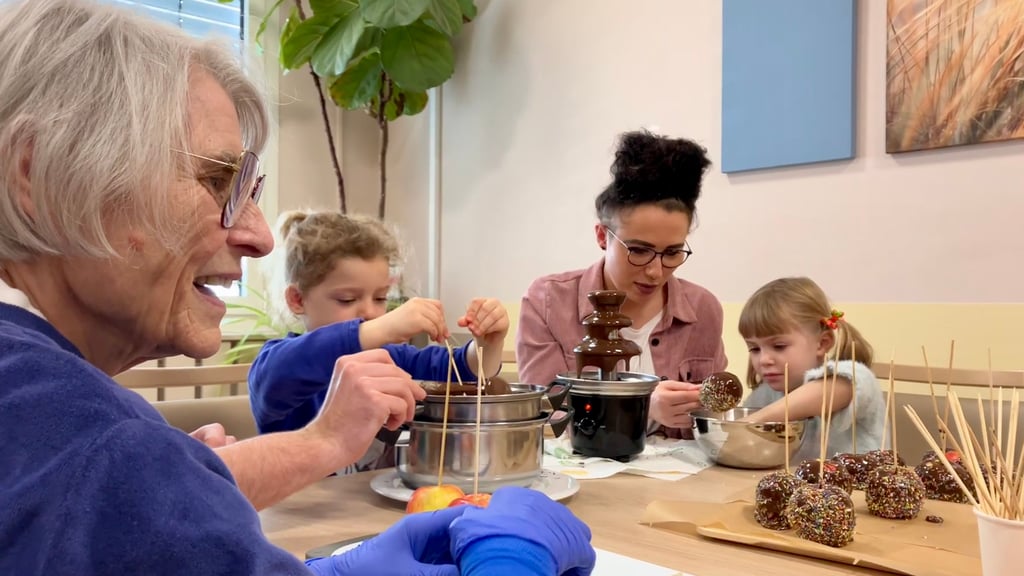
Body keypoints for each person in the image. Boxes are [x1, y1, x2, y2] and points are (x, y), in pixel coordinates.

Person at [0, 1, 593, 574]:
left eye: (253, 193)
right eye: (216, 180)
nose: (259, 236)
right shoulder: (92, 445)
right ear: (42, 173)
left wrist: (188, 475)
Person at [248, 210, 509, 473]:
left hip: (372, 511)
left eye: (381, 298)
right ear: (298, 300)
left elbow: (460, 371)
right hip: (299, 512)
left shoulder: (389, 357)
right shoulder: (279, 365)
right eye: (347, 299)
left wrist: (488, 343)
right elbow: (286, 370)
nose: (371, 312)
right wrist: (379, 328)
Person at [516, 129, 727, 438]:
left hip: (684, 482)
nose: (656, 271)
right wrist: (642, 408)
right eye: (639, 251)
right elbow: (547, 418)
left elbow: (713, 420)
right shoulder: (548, 302)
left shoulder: (703, 309)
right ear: (603, 236)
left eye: (672, 253)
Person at [740, 277, 884, 462]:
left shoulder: (855, 376)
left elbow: (829, 389)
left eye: (779, 346)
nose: (764, 360)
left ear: (822, 343)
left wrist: (753, 420)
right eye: (754, 349)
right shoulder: (765, 395)